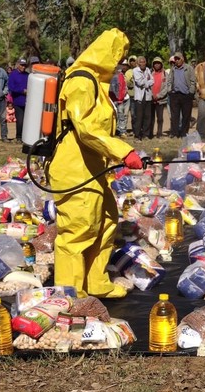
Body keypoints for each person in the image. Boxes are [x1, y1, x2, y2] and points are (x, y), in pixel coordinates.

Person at [49, 28, 143, 298]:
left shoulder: (96, 83)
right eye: (118, 57)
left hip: (92, 167)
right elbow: (87, 129)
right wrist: (123, 152)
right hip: (73, 169)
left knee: (106, 220)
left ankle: (95, 282)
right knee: (78, 230)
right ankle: (70, 293)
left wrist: (116, 155)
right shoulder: (81, 82)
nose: (120, 64)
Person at [167, 52, 196, 138]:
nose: (177, 60)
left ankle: (184, 133)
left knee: (186, 115)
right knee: (174, 115)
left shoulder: (189, 68)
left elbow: (193, 81)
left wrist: (191, 92)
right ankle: (175, 133)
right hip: (175, 95)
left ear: (182, 59)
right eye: (175, 59)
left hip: (186, 95)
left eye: (178, 58)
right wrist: (169, 90)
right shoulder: (173, 69)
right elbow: (169, 81)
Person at [7, 58, 29, 143]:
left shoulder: (27, 75)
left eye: (24, 65)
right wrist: (22, 90)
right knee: (20, 120)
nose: (23, 67)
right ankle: (19, 136)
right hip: (18, 101)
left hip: (28, 102)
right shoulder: (13, 75)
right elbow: (11, 87)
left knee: (27, 121)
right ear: (18, 65)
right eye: (22, 65)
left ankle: (26, 137)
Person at [132, 56, 153, 140]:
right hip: (139, 97)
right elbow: (139, 82)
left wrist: (147, 82)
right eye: (141, 62)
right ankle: (137, 135)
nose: (143, 63)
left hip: (147, 96)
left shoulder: (148, 70)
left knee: (147, 116)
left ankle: (146, 134)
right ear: (138, 63)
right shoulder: (135, 71)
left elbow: (153, 80)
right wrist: (147, 82)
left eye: (144, 61)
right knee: (139, 117)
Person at [109, 61, 129, 137]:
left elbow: (123, 87)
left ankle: (122, 131)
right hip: (113, 99)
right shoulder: (111, 75)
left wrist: (121, 97)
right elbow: (111, 88)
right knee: (115, 115)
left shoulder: (121, 75)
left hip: (120, 99)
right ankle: (115, 130)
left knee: (121, 115)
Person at [150, 57, 168, 138]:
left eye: (158, 63)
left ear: (161, 64)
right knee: (150, 118)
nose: (157, 65)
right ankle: (150, 133)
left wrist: (158, 95)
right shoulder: (150, 73)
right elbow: (147, 85)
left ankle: (159, 133)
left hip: (160, 100)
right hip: (150, 99)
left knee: (160, 118)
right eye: (155, 63)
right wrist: (151, 95)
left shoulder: (165, 74)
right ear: (153, 64)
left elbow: (166, 87)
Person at [127, 55, 137, 133]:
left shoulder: (140, 70)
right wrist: (131, 82)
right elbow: (127, 83)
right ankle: (134, 129)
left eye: (134, 61)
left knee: (140, 114)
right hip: (132, 96)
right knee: (133, 114)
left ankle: (140, 128)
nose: (132, 62)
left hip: (140, 96)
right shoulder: (128, 72)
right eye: (131, 61)